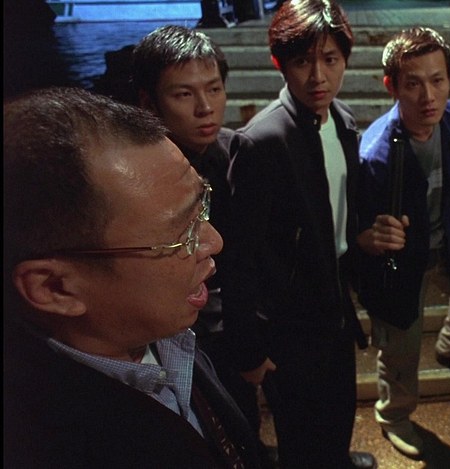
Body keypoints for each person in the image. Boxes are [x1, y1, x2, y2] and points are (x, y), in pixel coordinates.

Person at [3, 87, 262, 468]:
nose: (214, 242)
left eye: (201, 206)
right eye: (180, 233)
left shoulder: (165, 330)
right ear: (54, 287)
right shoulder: (38, 442)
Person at [222, 1, 376, 468]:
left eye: (330, 59)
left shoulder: (343, 122)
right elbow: (239, 257)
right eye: (302, 61)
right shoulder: (262, 140)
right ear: (279, 63)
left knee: (338, 417)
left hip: (334, 308)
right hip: (289, 323)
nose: (317, 76)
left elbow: (338, 217)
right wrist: (249, 349)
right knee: (301, 439)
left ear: (345, 59)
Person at [132, 25, 279, 468]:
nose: (205, 107)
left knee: (240, 429)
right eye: (184, 94)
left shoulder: (238, 153)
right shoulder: (133, 173)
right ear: (148, 102)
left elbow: (246, 260)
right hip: (165, 331)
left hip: (229, 329)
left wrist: (250, 344)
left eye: (214, 89)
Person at [355, 26, 450, 459]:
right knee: (400, 347)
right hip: (403, 261)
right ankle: (394, 415)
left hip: (447, 241)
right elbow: (360, 225)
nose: (428, 97)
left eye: (438, 80)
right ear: (392, 86)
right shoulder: (377, 154)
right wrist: (370, 238)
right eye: (413, 84)